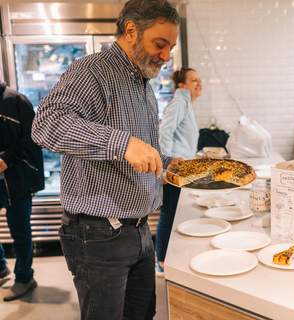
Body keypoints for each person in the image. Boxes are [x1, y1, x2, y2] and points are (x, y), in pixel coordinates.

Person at [31, 0, 182, 319]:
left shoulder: (142, 83)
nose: (167, 57)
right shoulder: (93, 71)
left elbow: (139, 149)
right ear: (131, 31)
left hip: (140, 231)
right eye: (160, 44)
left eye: (171, 47)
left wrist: (166, 163)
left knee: (143, 314)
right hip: (99, 236)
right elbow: (46, 124)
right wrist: (122, 143)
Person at [0, 82, 44, 302]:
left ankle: (25, 277)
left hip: (17, 180)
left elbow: (34, 139)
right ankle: (0, 267)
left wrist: (5, 159)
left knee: (20, 232)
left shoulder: (16, 100)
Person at [156, 68, 202, 277]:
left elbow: (181, 138)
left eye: (199, 80)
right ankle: (162, 261)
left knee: (175, 215)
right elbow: (165, 132)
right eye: (194, 80)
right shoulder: (180, 103)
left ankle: (168, 258)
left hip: (183, 171)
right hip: (175, 172)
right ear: (181, 85)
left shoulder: (186, 104)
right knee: (169, 215)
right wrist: (166, 168)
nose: (198, 84)